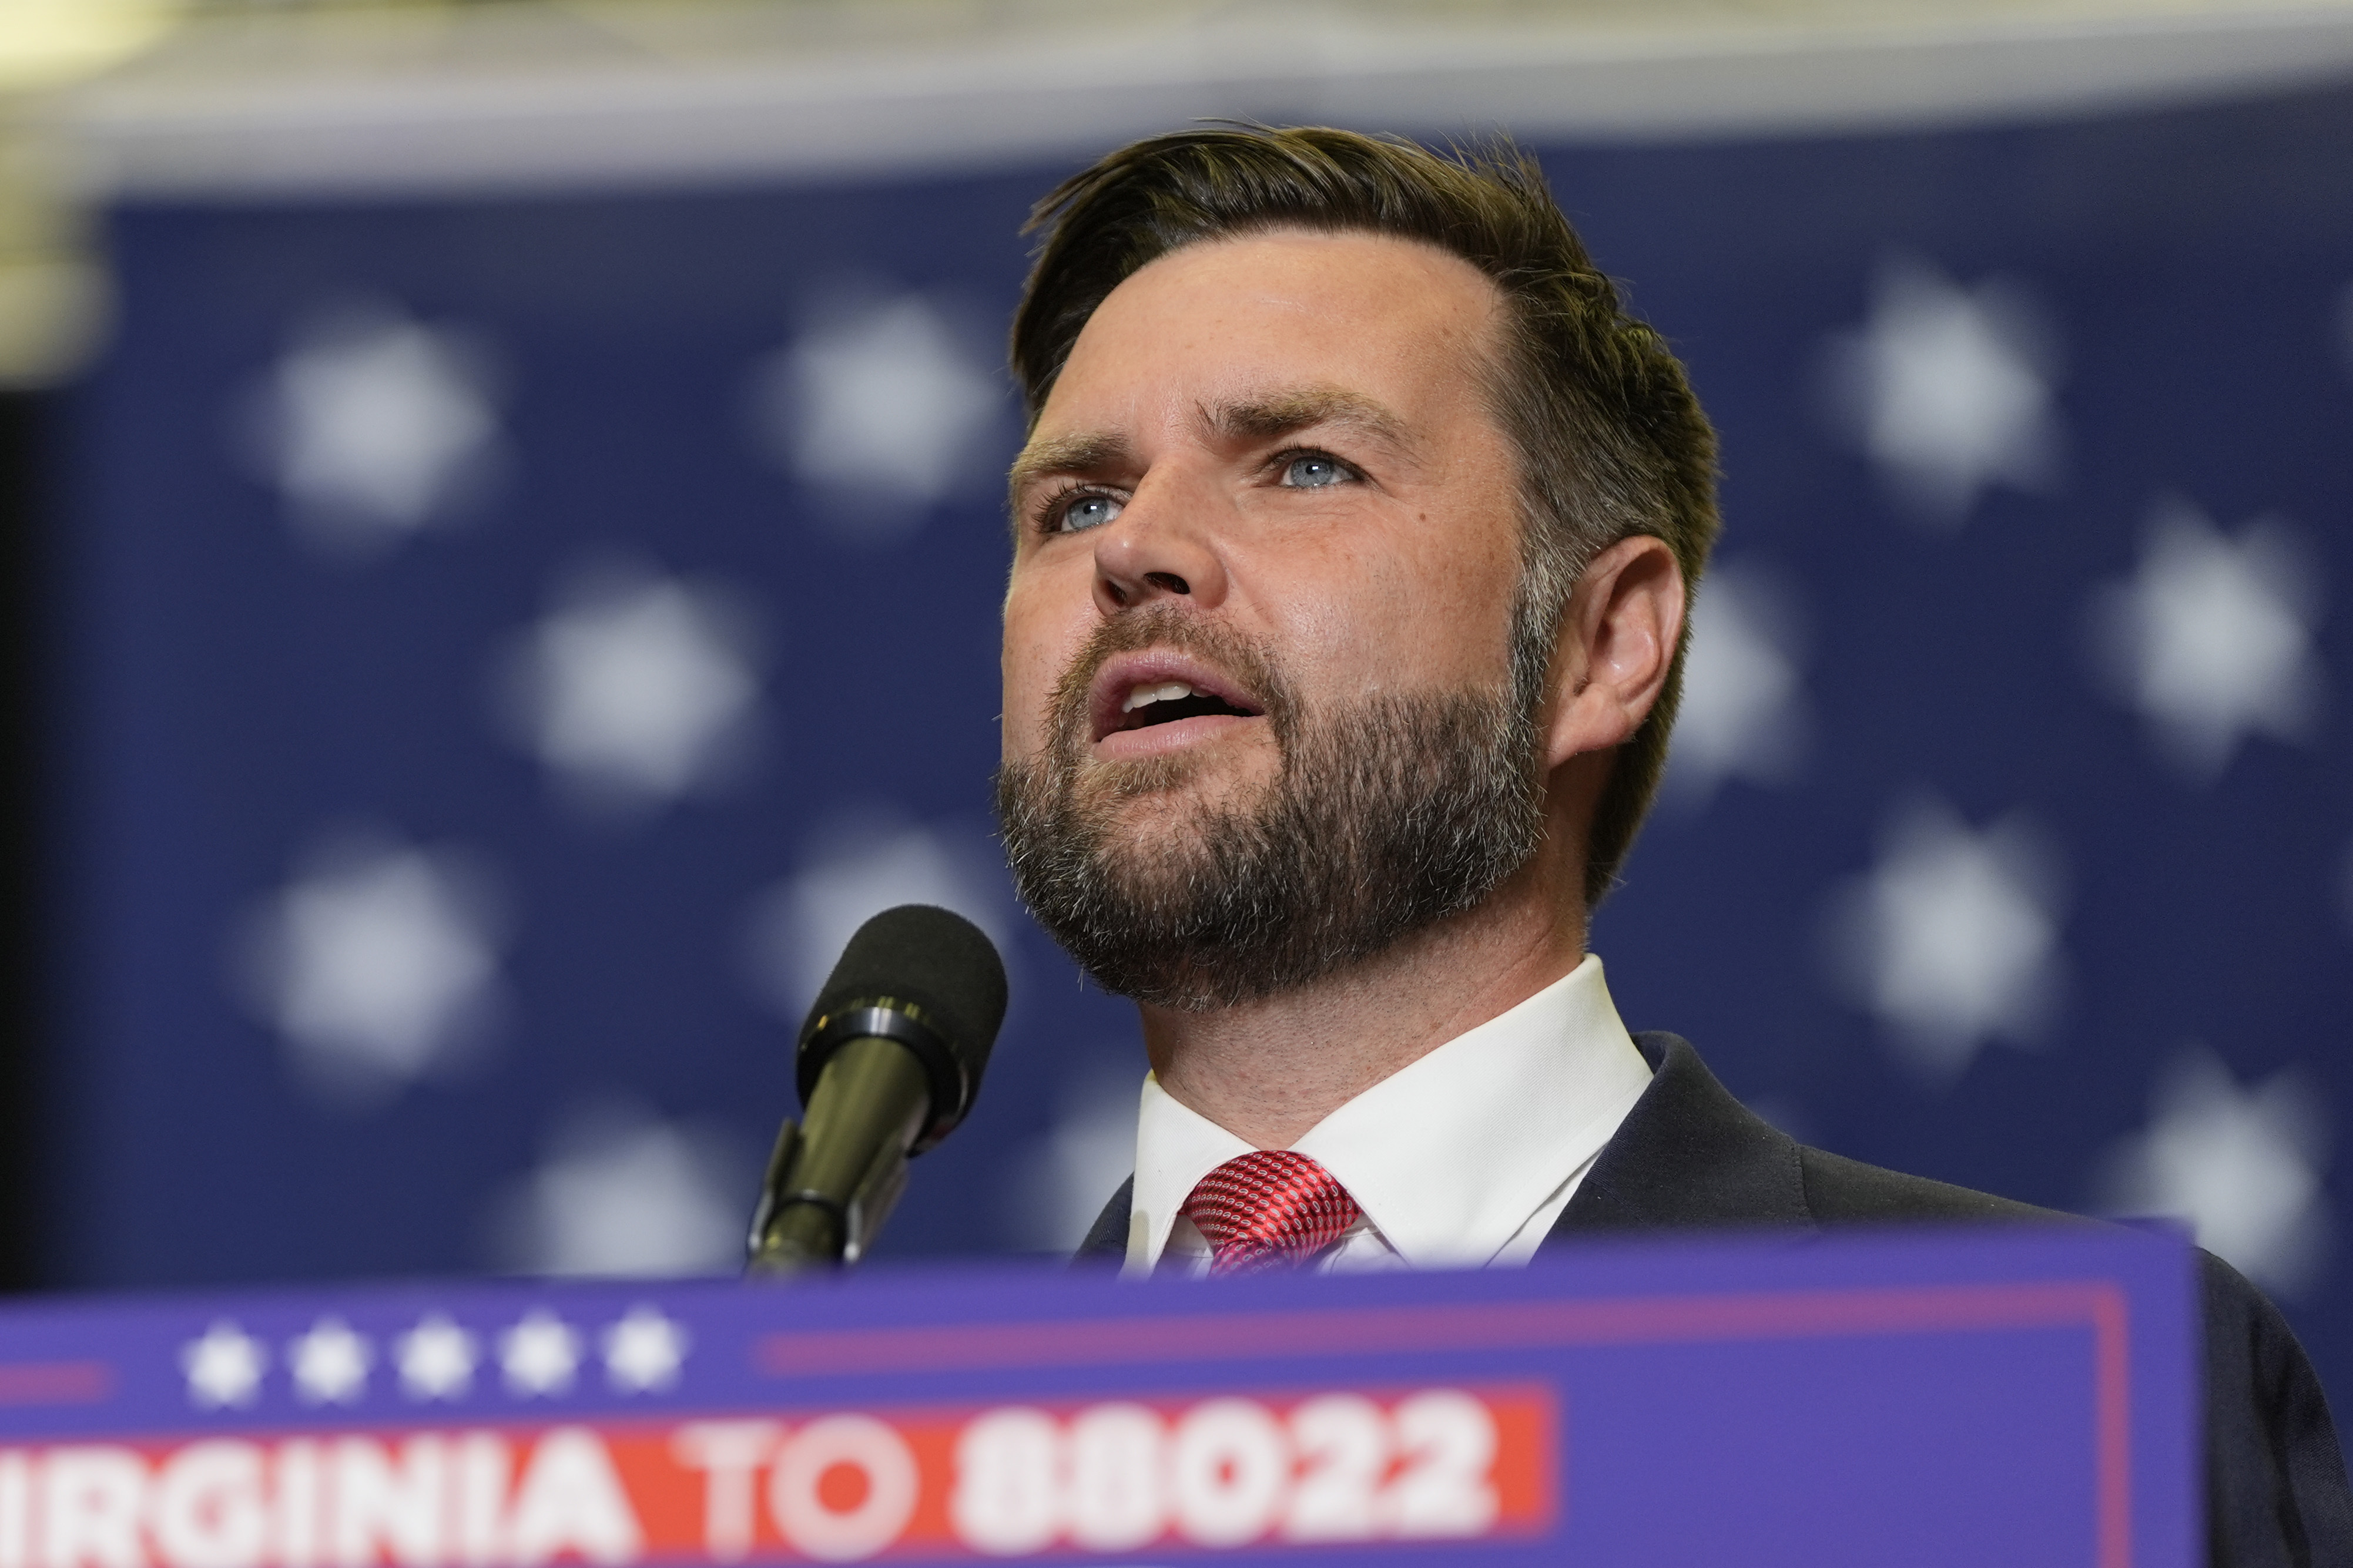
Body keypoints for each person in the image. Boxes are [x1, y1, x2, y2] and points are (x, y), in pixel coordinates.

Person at [990, 125, 2348, 1559]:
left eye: (1303, 466)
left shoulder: (2075, 1398)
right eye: (1076, 501)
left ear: (1601, 644)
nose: (1135, 547)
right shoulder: (863, 1473)